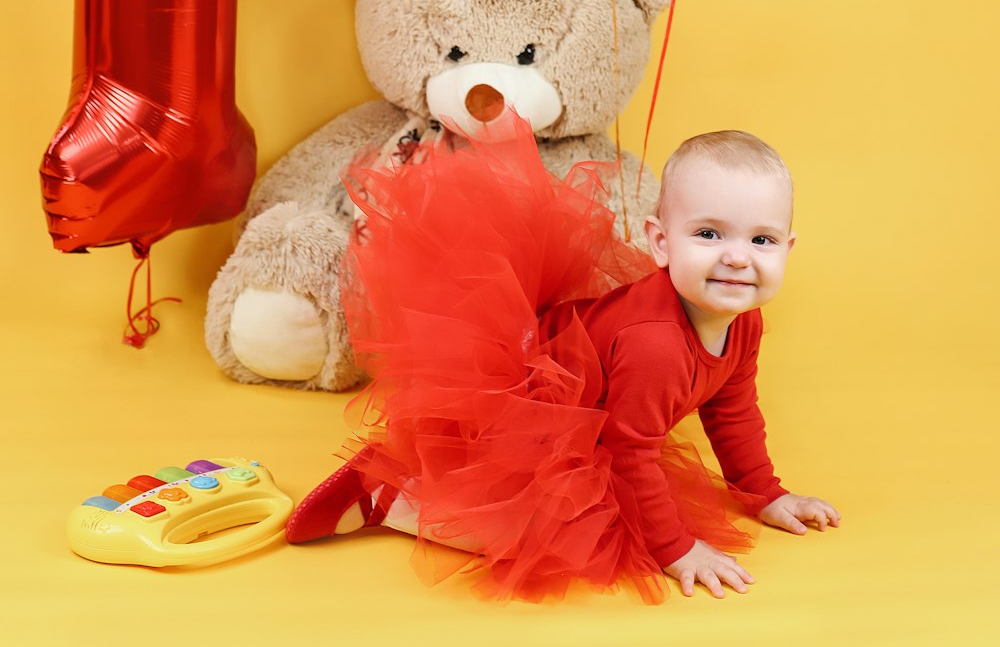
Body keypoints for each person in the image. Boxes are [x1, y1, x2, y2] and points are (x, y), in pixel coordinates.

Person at [287, 122, 839, 601]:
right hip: (527, 402)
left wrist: (765, 492)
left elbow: (733, 409)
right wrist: (677, 550)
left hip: (597, 418)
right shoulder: (656, 345)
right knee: (544, 533)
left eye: (761, 239)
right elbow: (631, 454)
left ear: (787, 250)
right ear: (661, 242)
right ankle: (394, 495)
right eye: (709, 234)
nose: (737, 257)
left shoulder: (744, 321)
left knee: (606, 504)